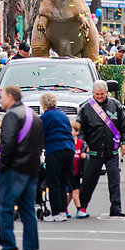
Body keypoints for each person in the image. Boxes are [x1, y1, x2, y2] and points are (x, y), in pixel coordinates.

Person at [0, 85, 44, 250]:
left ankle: (8, 246)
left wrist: (2, 167)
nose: (0, 100)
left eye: (2, 97)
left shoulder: (12, 115)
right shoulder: (33, 115)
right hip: (31, 168)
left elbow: (7, 144)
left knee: (3, 208)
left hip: (14, 169)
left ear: (11, 97)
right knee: (28, 211)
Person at [75, 80, 125, 218]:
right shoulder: (86, 108)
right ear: (93, 93)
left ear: (107, 93)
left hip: (112, 151)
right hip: (93, 152)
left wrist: (124, 142)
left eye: (102, 94)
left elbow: (123, 125)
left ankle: (116, 208)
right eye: (97, 94)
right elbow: (80, 130)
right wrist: (84, 145)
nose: (99, 97)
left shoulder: (115, 105)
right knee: (88, 181)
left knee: (114, 181)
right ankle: (82, 207)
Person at [40, 92, 74, 223]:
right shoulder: (62, 114)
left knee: (53, 182)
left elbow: (41, 134)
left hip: (55, 149)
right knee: (64, 182)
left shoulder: (46, 116)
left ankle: (55, 212)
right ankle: (63, 212)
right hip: (69, 149)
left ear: (43, 104)